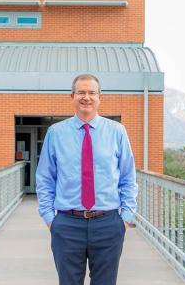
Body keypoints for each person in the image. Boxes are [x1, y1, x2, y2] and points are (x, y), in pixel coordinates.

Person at [36, 73, 138, 285]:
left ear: (100, 97)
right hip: (67, 224)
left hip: (108, 224)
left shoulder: (117, 132)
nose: (86, 97)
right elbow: (45, 178)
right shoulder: (55, 133)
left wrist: (126, 217)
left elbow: (128, 176)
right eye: (81, 92)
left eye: (92, 92)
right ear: (72, 96)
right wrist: (49, 218)